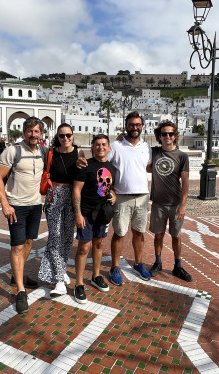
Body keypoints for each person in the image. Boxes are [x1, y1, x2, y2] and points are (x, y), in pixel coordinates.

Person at [79, 111, 152, 286]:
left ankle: (139, 264)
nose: (135, 127)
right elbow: (103, 165)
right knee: (119, 233)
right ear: (126, 126)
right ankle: (115, 267)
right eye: (131, 124)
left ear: (142, 126)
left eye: (138, 124)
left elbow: (149, 167)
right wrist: (110, 190)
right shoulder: (116, 145)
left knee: (139, 232)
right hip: (121, 197)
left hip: (142, 197)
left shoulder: (147, 147)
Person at [0, 117, 45, 314]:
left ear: (41, 134)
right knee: (17, 246)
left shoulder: (43, 151)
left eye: (36, 131)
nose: (33, 135)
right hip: (16, 206)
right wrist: (5, 204)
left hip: (34, 205)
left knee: (29, 242)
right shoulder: (12, 151)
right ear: (24, 133)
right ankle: (21, 290)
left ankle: (18, 275)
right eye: (30, 131)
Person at [72, 134, 116, 303]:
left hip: (103, 213)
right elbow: (76, 190)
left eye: (104, 144)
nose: (101, 147)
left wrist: (114, 197)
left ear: (109, 147)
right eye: (97, 144)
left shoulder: (112, 168)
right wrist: (78, 214)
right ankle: (79, 283)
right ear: (92, 147)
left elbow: (112, 189)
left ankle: (96, 276)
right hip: (86, 212)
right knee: (84, 247)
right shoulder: (85, 166)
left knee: (98, 244)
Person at [38, 124, 80, 297]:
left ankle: (59, 271)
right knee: (55, 238)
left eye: (68, 135)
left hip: (72, 197)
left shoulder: (79, 153)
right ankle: (60, 281)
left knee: (67, 238)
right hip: (54, 195)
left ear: (73, 135)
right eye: (62, 136)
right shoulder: (50, 153)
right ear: (58, 137)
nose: (65, 139)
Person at [147, 121, 192, 282]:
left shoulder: (182, 156)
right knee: (158, 235)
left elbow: (186, 182)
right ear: (159, 136)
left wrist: (183, 204)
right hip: (158, 203)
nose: (167, 136)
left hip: (175, 203)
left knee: (176, 235)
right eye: (164, 134)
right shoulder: (154, 152)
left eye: (170, 134)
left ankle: (178, 266)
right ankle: (158, 262)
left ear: (175, 136)